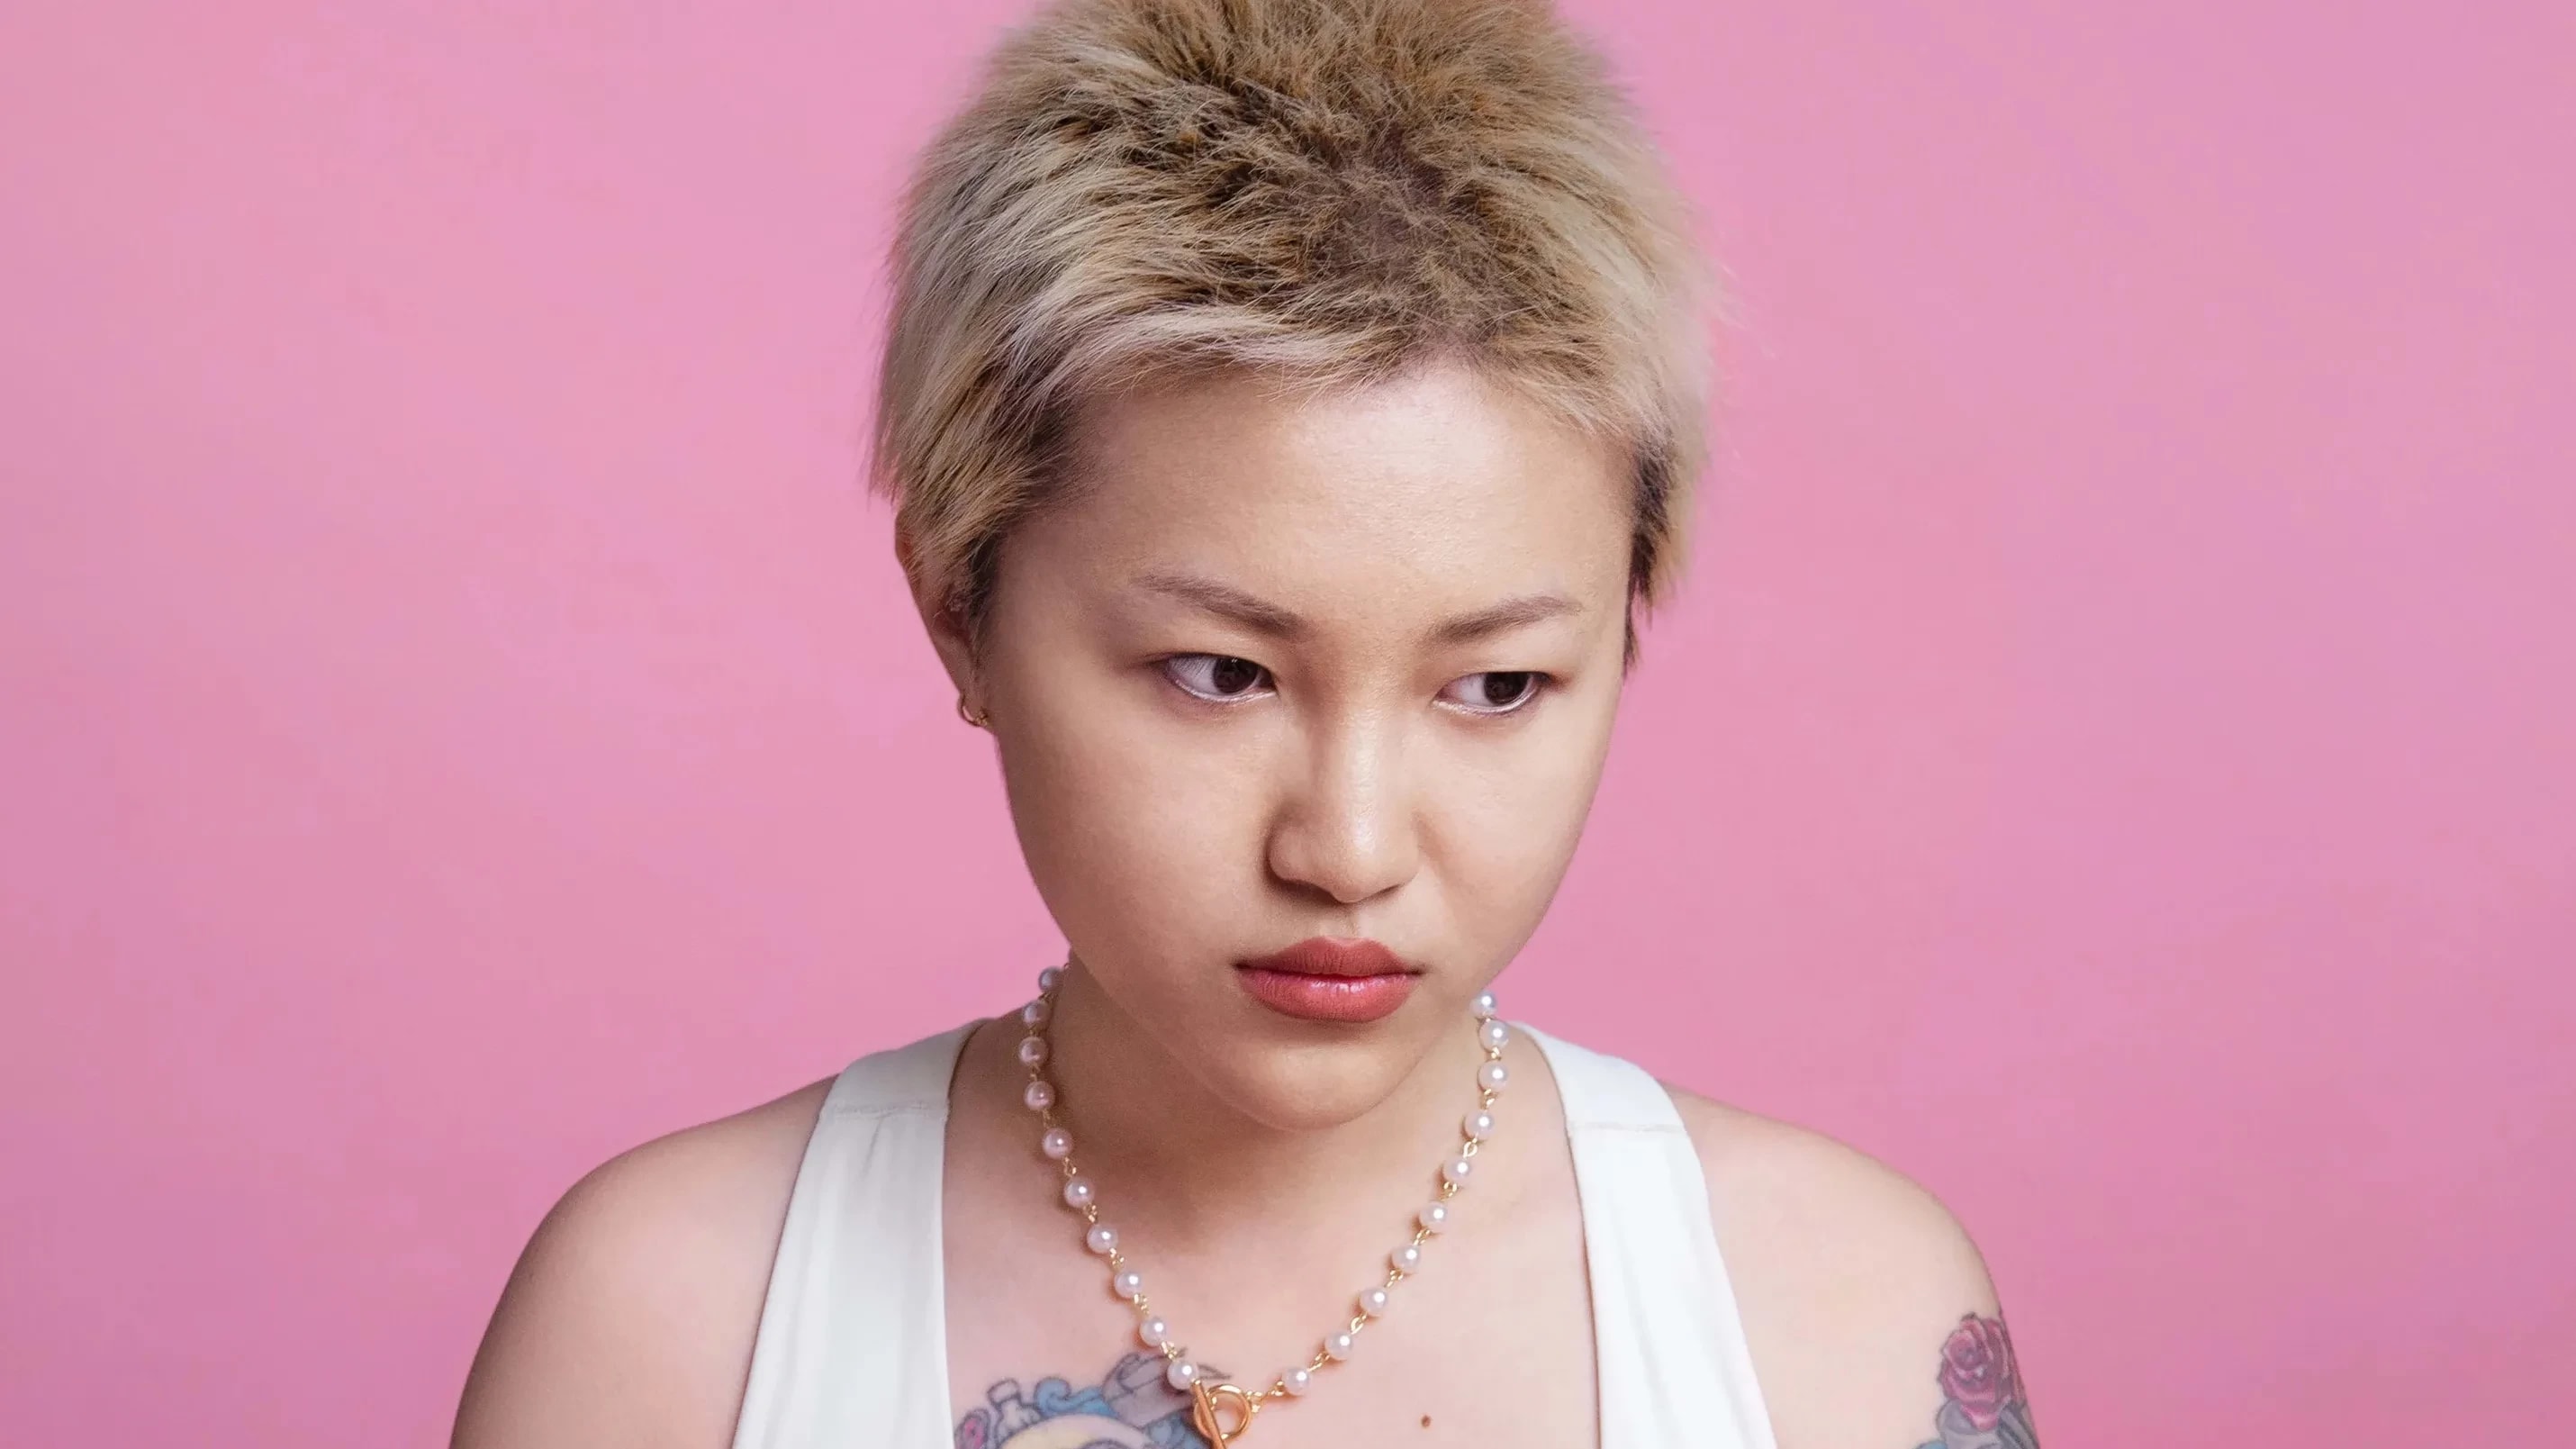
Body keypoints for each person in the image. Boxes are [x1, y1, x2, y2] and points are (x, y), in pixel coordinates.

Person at [451, 1, 2038, 1445]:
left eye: (1492, 686)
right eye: (1224, 673)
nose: (1349, 847)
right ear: (960, 608)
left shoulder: (1838, 1324)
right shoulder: (673, 1327)